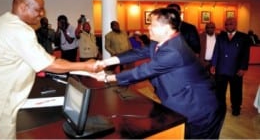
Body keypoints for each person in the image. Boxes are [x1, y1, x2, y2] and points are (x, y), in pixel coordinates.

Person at [0, 0, 102, 139]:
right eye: (38, 10)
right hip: (2, 91)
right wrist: (86, 66)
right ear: (23, 7)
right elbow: (50, 65)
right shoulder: (19, 30)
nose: (42, 14)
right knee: (5, 133)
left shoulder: (6, 19)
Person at [94, 8, 225, 139]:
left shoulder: (174, 50)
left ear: (167, 29)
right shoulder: (158, 41)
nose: (148, 27)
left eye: (152, 24)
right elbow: (138, 52)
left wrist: (107, 77)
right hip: (181, 102)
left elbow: (143, 71)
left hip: (201, 108)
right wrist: (106, 62)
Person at [210, 17, 250, 116]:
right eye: (226, 24)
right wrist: (213, 65)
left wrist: (243, 68)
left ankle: (236, 108)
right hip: (221, 69)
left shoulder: (243, 37)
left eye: (231, 24)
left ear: (235, 25)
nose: (228, 26)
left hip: (236, 70)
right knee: (220, 91)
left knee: (236, 90)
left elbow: (246, 54)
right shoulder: (220, 37)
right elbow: (216, 51)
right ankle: (220, 108)